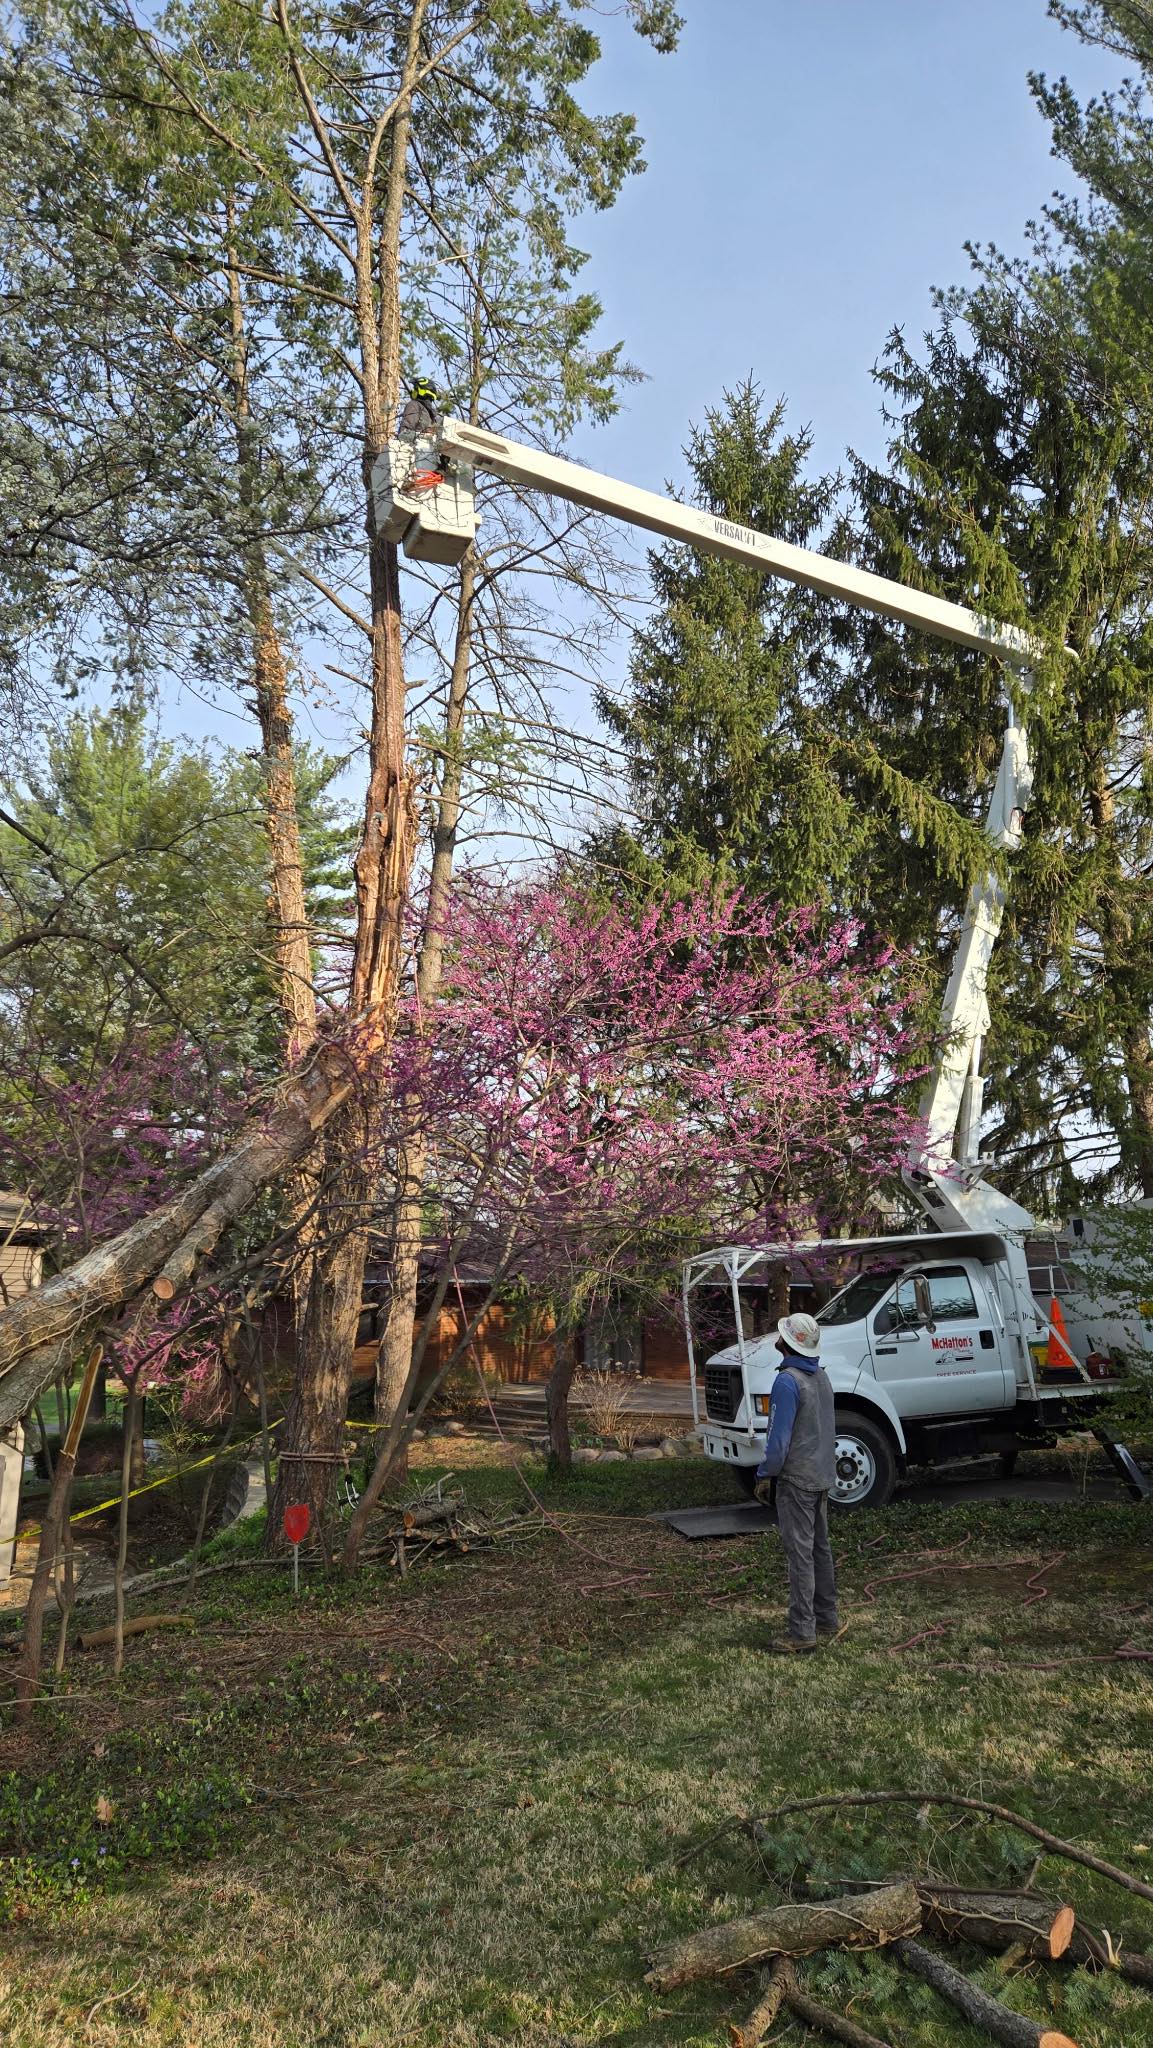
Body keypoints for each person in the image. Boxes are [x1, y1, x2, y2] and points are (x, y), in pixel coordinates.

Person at [753, 1311, 840, 1653]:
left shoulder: (787, 1381)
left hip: (797, 1480)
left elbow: (778, 1441)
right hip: (821, 1475)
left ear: (787, 1343)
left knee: (800, 1555)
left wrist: (764, 1475)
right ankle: (827, 1618)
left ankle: (802, 1632)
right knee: (820, 1548)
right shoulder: (821, 1376)